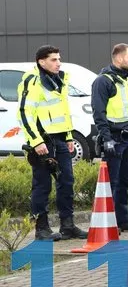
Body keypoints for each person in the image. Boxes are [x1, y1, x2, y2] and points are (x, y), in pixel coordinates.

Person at [17, 45, 88, 241]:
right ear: (42, 62)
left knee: (66, 182)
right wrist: (36, 141)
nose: (59, 63)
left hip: (60, 140)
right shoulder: (33, 81)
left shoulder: (59, 80)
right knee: (42, 186)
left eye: (59, 59)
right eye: (54, 60)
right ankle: (42, 229)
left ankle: (68, 226)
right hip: (42, 141)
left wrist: (68, 136)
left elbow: (62, 112)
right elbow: (24, 114)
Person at [91, 44, 128, 233]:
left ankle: (123, 220)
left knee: (124, 181)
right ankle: (110, 223)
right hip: (114, 139)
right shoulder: (103, 81)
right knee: (112, 183)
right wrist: (106, 138)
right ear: (119, 58)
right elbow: (99, 113)